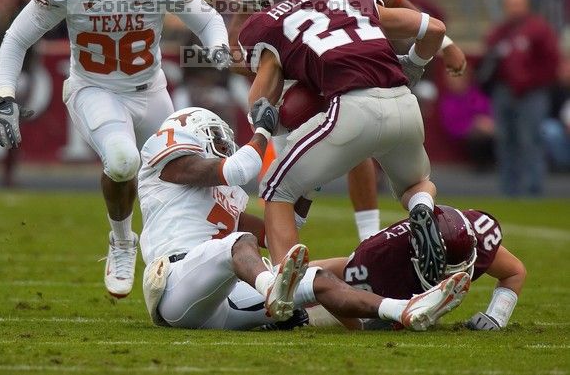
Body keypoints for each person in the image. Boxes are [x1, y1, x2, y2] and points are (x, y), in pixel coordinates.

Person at [0, 0, 232, 299]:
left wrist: (218, 48)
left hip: (151, 90)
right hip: (94, 89)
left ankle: (191, 256)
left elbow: (206, 20)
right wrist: (5, 97)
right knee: (123, 162)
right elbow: (17, 38)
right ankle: (122, 242)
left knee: (182, 175)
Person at [227, 0, 467, 243]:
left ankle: (295, 256)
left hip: (340, 92)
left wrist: (264, 116)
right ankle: (414, 212)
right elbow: (412, 19)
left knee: (284, 181)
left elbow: (396, 0)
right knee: (402, 175)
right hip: (375, 86)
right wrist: (433, 50)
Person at [138, 104, 471, 330]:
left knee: (319, 278)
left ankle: (405, 309)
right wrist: (263, 130)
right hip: (176, 286)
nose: (224, 141)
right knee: (237, 243)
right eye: (216, 135)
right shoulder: (169, 165)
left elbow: (279, 232)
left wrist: (313, 179)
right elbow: (240, 169)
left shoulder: (226, 196)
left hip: (226, 298)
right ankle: (273, 289)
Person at [313, 205, 526, 331]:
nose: (451, 277)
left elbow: (514, 272)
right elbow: (350, 306)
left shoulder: (477, 239)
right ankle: (284, 277)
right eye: (444, 269)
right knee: (319, 297)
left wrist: (496, 317)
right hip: (368, 282)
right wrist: (374, 324)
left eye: (458, 267)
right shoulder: (380, 257)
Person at [481, 0, 559, 196]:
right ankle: (509, 190)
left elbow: (552, 62)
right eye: (510, 4)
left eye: (518, 4)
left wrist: (531, 81)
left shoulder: (539, 29)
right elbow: (488, 57)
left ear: (527, 5)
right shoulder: (500, 32)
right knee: (505, 141)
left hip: (533, 93)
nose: (514, 9)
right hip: (503, 91)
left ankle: (533, 189)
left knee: (530, 140)